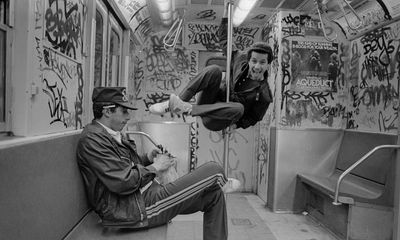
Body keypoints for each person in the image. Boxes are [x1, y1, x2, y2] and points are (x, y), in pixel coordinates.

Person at [76, 87, 240, 240]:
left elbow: (123, 167)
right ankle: (223, 181)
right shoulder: (93, 140)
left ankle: (220, 184)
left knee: (214, 195)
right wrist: (156, 167)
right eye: (124, 111)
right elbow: (122, 181)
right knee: (214, 169)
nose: (128, 117)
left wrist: (148, 158)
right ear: (107, 111)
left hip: (142, 197)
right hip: (133, 209)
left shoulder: (109, 134)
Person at [149, 0, 273, 131]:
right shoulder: (240, 59)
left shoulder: (264, 94)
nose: (257, 67)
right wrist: (226, 10)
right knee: (215, 70)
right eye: (254, 61)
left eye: (262, 62)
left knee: (239, 108)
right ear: (248, 60)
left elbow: (253, 118)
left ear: (268, 64)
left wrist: (236, 125)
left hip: (218, 119)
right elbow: (225, 39)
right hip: (209, 101)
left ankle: (187, 109)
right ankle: (175, 103)